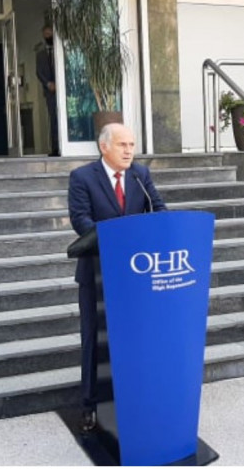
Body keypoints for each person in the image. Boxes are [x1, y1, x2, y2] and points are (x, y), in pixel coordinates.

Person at [67, 123, 167, 433]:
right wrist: (117, 240)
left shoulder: (140, 174)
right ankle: (89, 406)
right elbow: (81, 220)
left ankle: (135, 400)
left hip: (136, 274)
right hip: (96, 273)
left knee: (136, 339)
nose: (129, 151)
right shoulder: (82, 177)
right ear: (104, 147)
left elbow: (158, 208)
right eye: (122, 145)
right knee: (93, 340)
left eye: (132, 145)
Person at [35, 24, 59, 157]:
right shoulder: (40, 54)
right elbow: (39, 72)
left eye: (50, 33)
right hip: (50, 92)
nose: (48, 36)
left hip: (64, 91)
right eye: (46, 34)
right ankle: (55, 148)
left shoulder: (60, 51)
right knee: (53, 119)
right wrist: (48, 84)